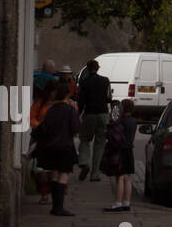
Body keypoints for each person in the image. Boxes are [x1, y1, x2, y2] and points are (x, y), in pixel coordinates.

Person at [34, 80, 80, 216]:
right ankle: (59, 208)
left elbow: (45, 128)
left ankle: (54, 207)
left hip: (51, 147)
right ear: (67, 95)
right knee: (64, 175)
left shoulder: (50, 110)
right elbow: (75, 128)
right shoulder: (70, 110)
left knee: (54, 174)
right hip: (65, 147)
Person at [77, 59, 112, 181]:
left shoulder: (84, 82)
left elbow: (80, 101)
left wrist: (78, 114)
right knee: (100, 143)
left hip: (89, 113)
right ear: (98, 68)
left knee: (85, 139)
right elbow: (109, 98)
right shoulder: (105, 81)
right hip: (103, 113)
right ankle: (95, 173)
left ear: (87, 68)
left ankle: (84, 162)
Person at [102, 99, 137, 212]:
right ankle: (127, 202)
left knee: (119, 177)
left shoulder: (121, 121)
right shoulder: (133, 121)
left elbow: (112, 134)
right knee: (127, 178)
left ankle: (118, 202)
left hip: (120, 150)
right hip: (129, 150)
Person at [28, 83, 55, 203]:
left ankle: (55, 193)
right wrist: (39, 126)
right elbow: (31, 117)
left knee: (55, 169)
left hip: (56, 139)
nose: (54, 94)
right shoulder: (40, 103)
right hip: (41, 139)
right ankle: (44, 194)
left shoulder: (63, 103)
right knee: (41, 170)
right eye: (53, 91)